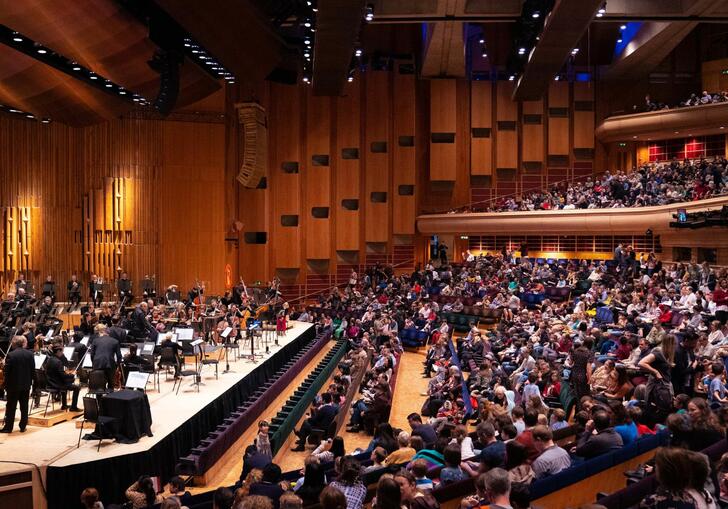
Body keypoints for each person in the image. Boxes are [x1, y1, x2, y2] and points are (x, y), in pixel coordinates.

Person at [639, 447, 716, 509]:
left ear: (666, 474)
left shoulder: (654, 502)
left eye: (657, 466)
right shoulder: (703, 492)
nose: (655, 468)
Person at [1, 336, 35, 433]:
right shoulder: (30, 354)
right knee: (24, 406)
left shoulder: (11, 355)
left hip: (13, 386)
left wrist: (5, 384)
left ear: (14, 344)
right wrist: (34, 383)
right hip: (26, 385)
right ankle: (23, 426)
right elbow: (33, 370)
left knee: (11, 407)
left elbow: (7, 372)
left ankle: (8, 427)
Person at [46, 344, 81, 411]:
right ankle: (73, 407)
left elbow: (59, 374)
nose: (63, 353)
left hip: (50, 383)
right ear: (58, 351)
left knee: (67, 381)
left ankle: (64, 405)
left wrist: (67, 375)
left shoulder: (49, 359)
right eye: (62, 352)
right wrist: (72, 374)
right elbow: (63, 376)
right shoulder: (58, 362)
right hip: (57, 384)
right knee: (77, 387)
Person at [89, 324, 122, 391]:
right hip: (110, 365)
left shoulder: (95, 341)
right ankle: (110, 398)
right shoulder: (115, 341)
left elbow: (92, 354)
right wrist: (117, 366)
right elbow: (119, 356)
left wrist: (94, 364)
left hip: (97, 365)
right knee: (110, 385)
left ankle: (99, 400)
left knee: (99, 387)